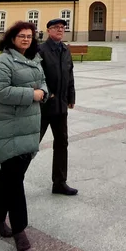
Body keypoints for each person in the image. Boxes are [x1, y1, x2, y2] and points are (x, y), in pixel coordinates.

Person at [0, 22, 47, 251]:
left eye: (29, 36)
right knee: (15, 180)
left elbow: (43, 83)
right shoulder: (3, 61)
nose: (26, 39)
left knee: (9, 178)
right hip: (8, 128)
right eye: (21, 36)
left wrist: (43, 92)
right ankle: (19, 230)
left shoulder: (33, 59)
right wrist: (33, 94)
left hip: (26, 126)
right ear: (12, 38)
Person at [38, 18, 77, 195]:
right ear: (48, 31)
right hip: (44, 107)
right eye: (56, 27)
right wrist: (47, 93)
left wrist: (71, 96)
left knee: (62, 143)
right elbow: (35, 76)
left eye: (62, 27)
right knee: (31, 144)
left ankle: (60, 182)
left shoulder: (65, 49)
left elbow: (70, 74)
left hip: (61, 106)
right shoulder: (41, 50)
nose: (60, 30)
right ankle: (16, 179)